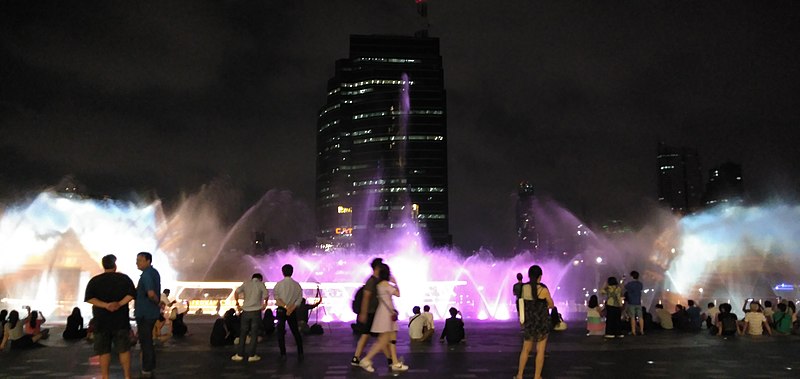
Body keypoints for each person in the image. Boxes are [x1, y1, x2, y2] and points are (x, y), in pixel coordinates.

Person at [84, 254, 137, 379]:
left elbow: (90, 299)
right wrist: (119, 304)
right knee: (124, 349)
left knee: (104, 351)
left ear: (103, 265)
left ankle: (105, 376)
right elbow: (131, 295)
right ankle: (127, 376)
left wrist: (105, 305)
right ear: (115, 265)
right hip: (120, 320)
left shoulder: (94, 281)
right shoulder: (124, 279)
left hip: (101, 321)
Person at [357, 263, 408, 373]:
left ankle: (395, 362)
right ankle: (366, 359)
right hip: (386, 314)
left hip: (385, 312)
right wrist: (395, 283)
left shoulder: (379, 284)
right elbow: (398, 294)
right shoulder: (385, 284)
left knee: (392, 337)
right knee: (383, 340)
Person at [351, 258, 394, 369]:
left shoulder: (376, 280)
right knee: (377, 336)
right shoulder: (371, 281)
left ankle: (357, 358)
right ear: (377, 268)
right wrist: (364, 313)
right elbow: (366, 297)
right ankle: (389, 360)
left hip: (374, 313)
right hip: (370, 313)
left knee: (376, 336)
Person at [515, 265, 554, 379]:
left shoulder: (523, 288)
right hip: (542, 322)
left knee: (525, 349)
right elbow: (551, 305)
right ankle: (537, 376)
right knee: (540, 350)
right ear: (540, 277)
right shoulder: (543, 290)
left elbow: (521, 303)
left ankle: (519, 375)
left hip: (530, 322)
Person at [134, 251, 161, 378]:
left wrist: (158, 303)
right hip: (150, 313)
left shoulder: (146, 275)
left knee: (146, 342)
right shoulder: (154, 272)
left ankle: (147, 369)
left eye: (140, 260)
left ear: (148, 261)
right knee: (147, 340)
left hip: (145, 313)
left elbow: (150, 293)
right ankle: (150, 366)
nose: (137, 263)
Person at [231, 273, 269, 362]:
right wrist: (265, 304)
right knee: (254, 333)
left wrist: (237, 303)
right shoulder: (261, 284)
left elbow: (236, 292)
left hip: (245, 311)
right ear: (260, 279)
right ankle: (252, 355)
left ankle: (239, 354)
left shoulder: (246, 283)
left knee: (243, 332)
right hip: (256, 311)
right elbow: (266, 295)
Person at [274, 264, 304, 359]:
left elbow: (277, 298)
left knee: (280, 332)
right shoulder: (297, 285)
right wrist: (291, 308)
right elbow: (299, 299)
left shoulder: (279, 284)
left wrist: (286, 307)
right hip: (292, 310)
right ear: (292, 272)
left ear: (282, 272)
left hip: (281, 310)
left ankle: (283, 353)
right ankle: (300, 352)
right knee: (295, 331)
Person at [624, 270, 644, 336]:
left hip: (631, 302)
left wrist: (623, 280)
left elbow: (623, 287)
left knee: (632, 317)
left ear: (632, 276)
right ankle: (641, 330)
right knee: (640, 317)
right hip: (638, 302)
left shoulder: (630, 284)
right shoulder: (640, 284)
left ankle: (633, 331)